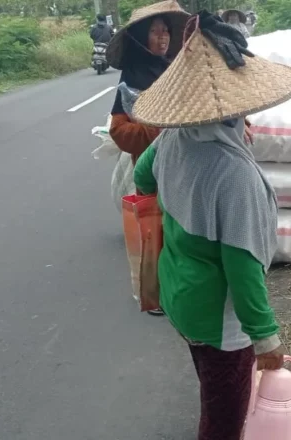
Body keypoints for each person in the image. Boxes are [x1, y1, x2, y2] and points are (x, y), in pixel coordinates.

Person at [131, 11, 291, 439]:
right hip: (219, 320)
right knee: (223, 421)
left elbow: (143, 178)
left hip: (180, 297)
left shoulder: (175, 137)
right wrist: (266, 340)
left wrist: (186, 200)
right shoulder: (235, 177)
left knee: (211, 389)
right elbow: (243, 271)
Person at [106, 0, 189, 316]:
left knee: (182, 229)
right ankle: (154, 295)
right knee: (155, 232)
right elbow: (118, 130)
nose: (163, 37)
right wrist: (156, 132)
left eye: (166, 31)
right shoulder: (132, 78)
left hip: (185, 163)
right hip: (151, 168)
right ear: (141, 37)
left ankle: (181, 288)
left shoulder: (173, 69)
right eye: (155, 32)